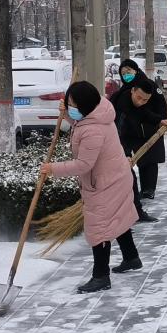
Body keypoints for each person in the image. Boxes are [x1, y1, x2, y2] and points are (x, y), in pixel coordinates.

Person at [48, 81, 142, 293]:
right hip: (113, 177)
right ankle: (131, 258)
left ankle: (101, 276)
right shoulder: (96, 115)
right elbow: (80, 123)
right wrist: (67, 116)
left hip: (106, 183)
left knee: (99, 228)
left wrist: (51, 169)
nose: (70, 106)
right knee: (116, 217)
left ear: (85, 104)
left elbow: (83, 164)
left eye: (73, 104)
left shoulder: (93, 130)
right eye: (68, 102)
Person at [111, 75, 167, 202]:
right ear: (133, 90)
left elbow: (145, 114)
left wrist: (160, 121)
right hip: (113, 138)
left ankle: (139, 197)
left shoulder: (138, 102)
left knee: (142, 164)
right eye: (139, 97)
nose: (140, 102)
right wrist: (125, 154)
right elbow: (119, 133)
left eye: (145, 100)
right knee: (125, 170)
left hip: (130, 134)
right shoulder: (122, 106)